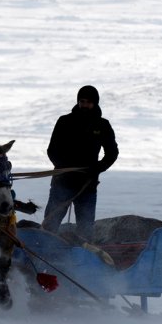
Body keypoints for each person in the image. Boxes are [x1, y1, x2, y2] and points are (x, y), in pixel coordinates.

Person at [41, 85, 119, 241]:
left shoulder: (102, 125)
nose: (84, 105)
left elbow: (112, 153)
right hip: (62, 182)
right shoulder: (64, 122)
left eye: (89, 102)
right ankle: (43, 254)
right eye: (82, 101)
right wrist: (64, 168)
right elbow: (52, 150)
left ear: (95, 103)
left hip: (87, 186)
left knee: (85, 229)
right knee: (50, 224)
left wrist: (96, 169)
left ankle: (79, 261)